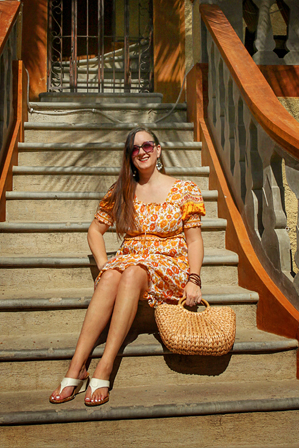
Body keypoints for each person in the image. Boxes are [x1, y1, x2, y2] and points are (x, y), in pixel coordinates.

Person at [49, 128, 206, 406]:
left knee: (132, 272)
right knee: (110, 276)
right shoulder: (122, 190)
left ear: (158, 150)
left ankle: (105, 366)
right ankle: (76, 366)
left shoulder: (185, 189)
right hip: (130, 257)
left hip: (168, 263)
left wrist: (194, 278)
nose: (142, 151)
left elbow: (194, 241)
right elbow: (94, 231)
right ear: (130, 157)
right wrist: (102, 264)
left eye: (147, 145)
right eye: (134, 149)